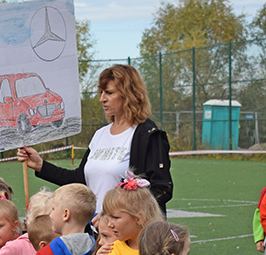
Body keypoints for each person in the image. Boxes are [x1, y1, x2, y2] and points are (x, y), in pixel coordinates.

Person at [17, 64, 172, 213]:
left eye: (109, 93)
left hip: (127, 230)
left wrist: (118, 216)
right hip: (94, 228)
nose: (102, 99)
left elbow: (162, 189)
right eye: (101, 92)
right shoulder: (100, 134)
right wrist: (40, 165)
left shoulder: (148, 134)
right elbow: (80, 180)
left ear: (129, 95)